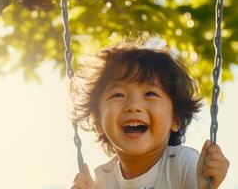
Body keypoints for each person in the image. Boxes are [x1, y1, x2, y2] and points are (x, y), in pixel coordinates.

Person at [70, 38, 229, 189]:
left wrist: (205, 185)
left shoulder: (182, 163)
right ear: (97, 122)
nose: (133, 106)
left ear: (176, 118)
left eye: (150, 94)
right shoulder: (103, 179)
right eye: (118, 95)